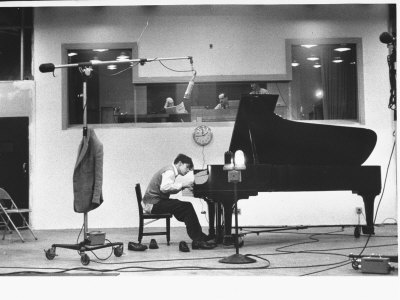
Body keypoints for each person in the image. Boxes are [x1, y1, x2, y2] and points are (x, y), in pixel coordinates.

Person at [142, 153, 216, 251]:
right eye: (187, 167)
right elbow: (164, 188)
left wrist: (183, 186)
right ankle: (198, 239)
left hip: (154, 202)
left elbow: (166, 189)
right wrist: (183, 185)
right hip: (153, 204)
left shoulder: (169, 170)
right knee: (187, 207)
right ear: (180, 163)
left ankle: (199, 237)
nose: (188, 170)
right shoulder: (170, 171)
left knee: (184, 207)